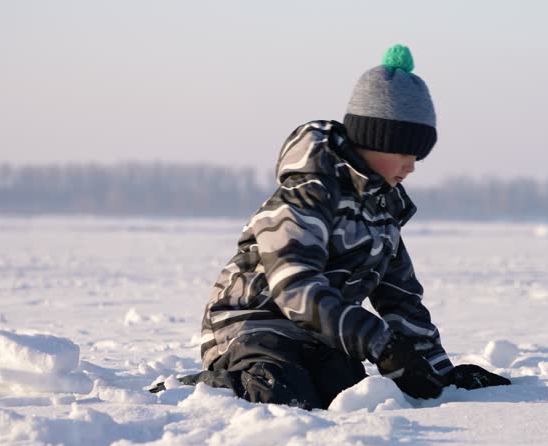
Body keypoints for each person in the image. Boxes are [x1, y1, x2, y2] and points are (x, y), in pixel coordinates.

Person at [184, 45, 509, 409]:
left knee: (348, 392)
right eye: (404, 153)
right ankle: (206, 388)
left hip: (321, 336)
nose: (411, 167)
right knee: (282, 393)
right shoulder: (307, 195)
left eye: (417, 157)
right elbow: (295, 288)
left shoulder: (383, 213)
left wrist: (439, 374)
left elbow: (401, 300)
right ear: (374, 139)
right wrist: (378, 342)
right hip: (250, 325)